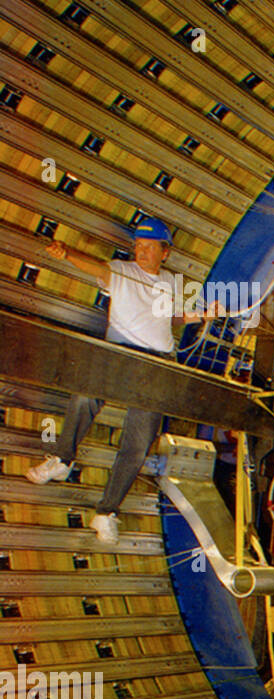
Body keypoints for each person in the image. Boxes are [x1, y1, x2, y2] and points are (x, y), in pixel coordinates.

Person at [25, 217, 217, 544]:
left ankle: (107, 512)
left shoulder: (172, 282)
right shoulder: (122, 272)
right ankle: (62, 459)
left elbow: (171, 316)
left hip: (158, 362)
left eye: (148, 247)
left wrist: (203, 315)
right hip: (121, 352)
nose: (141, 253)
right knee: (86, 396)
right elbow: (96, 269)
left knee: (138, 443)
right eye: (138, 247)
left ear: (164, 252)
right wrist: (67, 254)